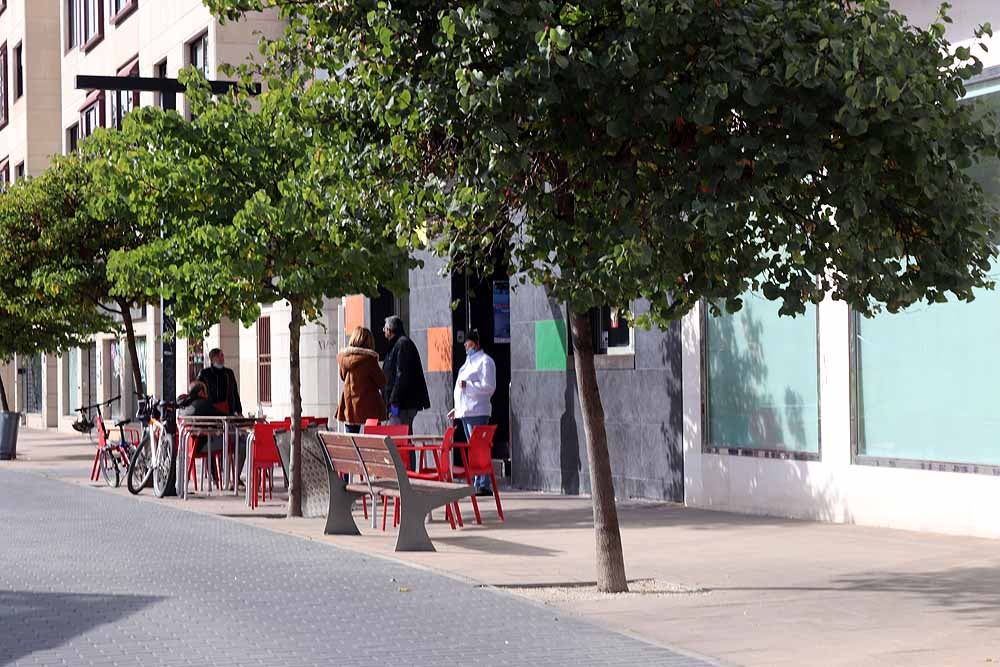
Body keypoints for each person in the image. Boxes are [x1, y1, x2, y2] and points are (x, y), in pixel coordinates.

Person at [447, 329, 496, 496]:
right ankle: (478, 481)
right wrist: (458, 408)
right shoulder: (469, 363)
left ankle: (483, 483)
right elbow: (462, 390)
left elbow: (488, 387)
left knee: (479, 448)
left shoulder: (484, 362)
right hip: (467, 411)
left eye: (468, 344)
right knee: (474, 448)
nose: (466, 347)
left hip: (478, 410)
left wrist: (469, 387)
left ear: (475, 344)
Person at [382, 315, 430, 432]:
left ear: (389, 329)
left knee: (401, 434)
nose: (383, 330)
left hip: (401, 404)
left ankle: (407, 451)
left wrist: (393, 401)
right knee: (400, 434)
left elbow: (401, 375)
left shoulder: (402, 344)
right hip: (398, 403)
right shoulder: (396, 345)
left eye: (385, 328)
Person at [336, 327, 387, 433]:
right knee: (374, 441)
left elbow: (342, 376)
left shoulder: (344, 358)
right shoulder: (369, 360)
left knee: (352, 438)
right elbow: (382, 381)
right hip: (370, 407)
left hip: (349, 406)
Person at [197, 348, 243, 416]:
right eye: (220, 356)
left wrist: (239, 410)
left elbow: (235, 392)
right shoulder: (205, 373)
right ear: (213, 358)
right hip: (210, 410)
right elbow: (198, 391)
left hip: (228, 410)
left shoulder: (229, 373)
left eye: (222, 356)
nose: (222, 358)